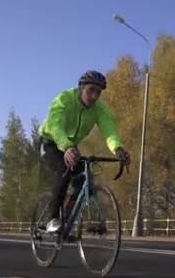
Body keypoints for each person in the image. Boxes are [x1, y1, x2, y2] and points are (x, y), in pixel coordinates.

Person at [38, 70, 130, 232]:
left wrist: (118, 149)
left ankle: (66, 217)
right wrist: (66, 146)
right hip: (50, 142)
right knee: (64, 172)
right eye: (90, 90)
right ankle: (52, 219)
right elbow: (55, 126)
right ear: (81, 88)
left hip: (70, 146)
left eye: (98, 92)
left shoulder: (99, 110)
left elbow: (109, 131)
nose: (94, 96)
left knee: (85, 181)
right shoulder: (64, 99)